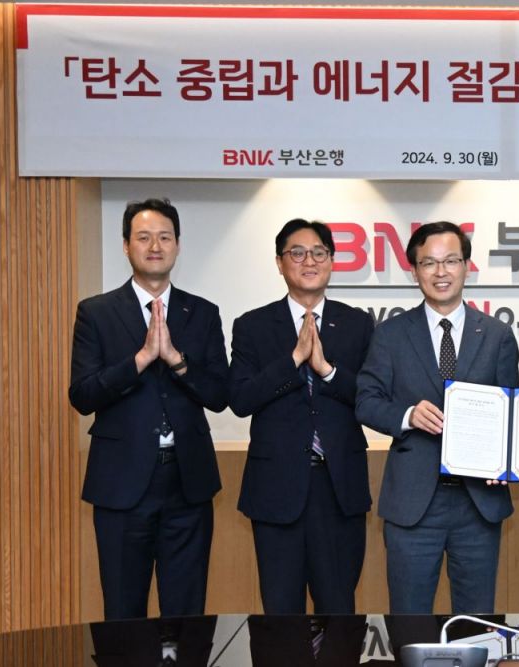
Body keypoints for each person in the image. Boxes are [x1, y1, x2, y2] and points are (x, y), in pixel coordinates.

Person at [69, 198, 227, 619]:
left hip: (188, 483)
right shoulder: (96, 313)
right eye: (143, 237)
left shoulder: (203, 312)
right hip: (120, 484)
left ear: (178, 245)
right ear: (126, 245)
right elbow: (83, 395)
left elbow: (219, 394)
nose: (155, 246)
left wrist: (176, 360)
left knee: (187, 615)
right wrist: (139, 360)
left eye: (164, 237)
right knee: (123, 614)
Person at [356, 221, 519, 614]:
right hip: (413, 503)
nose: (440, 271)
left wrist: (508, 461)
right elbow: (366, 401)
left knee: (476, 621)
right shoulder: (390, 334)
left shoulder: (497, 334)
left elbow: (510, 412)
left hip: (478, 502)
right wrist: (409, 415)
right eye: (429, 262)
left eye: (451, 261)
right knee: (409, 619)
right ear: (415, 271)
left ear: (467, 267)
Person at [229, 218, 373, 614]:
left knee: (339, 611)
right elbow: (239, 399)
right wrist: (293, 360)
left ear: (332, 261)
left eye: (318, 253)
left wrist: (326, 370)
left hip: (339, 487)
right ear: (279, 263)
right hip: (275, 488)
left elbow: (372, 398)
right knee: (280, 613)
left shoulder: (358, 324)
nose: (309, 261)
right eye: (297, 253)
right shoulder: (253, 326)